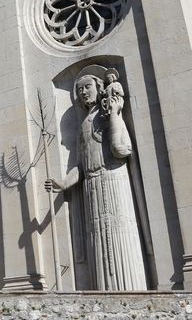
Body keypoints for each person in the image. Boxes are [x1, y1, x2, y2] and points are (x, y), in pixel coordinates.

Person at [45, 66, 147, 290]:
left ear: (99, 88)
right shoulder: (83, 125)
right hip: (92, 187)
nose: (83, 92)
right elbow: (80, 166)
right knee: (99, 246)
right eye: (80, 89)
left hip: (114, 181)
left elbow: (121, 149)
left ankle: (130, 292)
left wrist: (113, 115)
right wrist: (63, 183)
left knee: (120, 241)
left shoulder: (107, 116)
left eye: (87, 87)